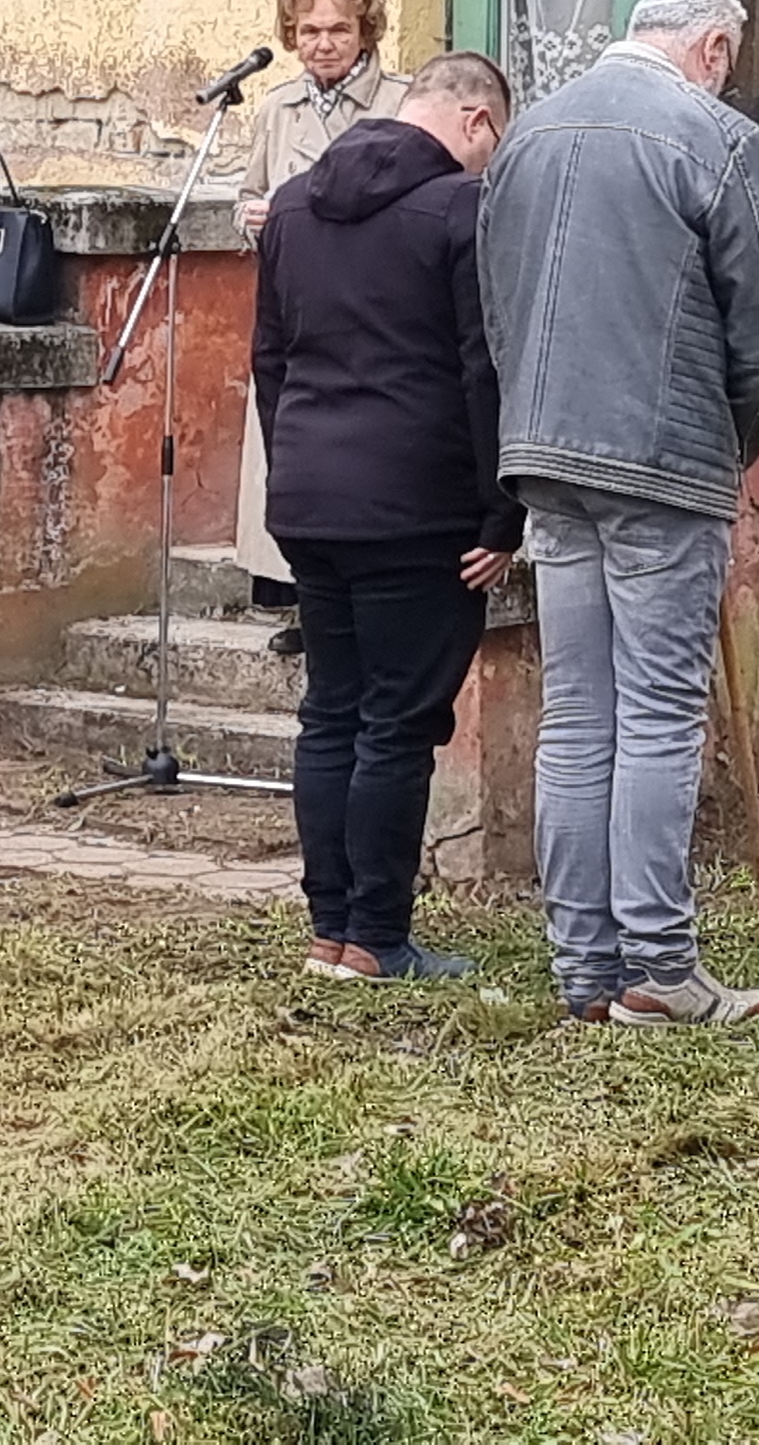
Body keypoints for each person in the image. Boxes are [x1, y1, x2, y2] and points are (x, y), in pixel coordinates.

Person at [480, 0, 759, 1029]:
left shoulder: (527, 135)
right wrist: (735, 440)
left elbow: (495, 302)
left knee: (578, 711)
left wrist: (529, 421)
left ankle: (585, 967)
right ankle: (657, 966)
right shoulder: (720, 137)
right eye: (730, 61)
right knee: (658, 712)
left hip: (544, 447)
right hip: (661, 455)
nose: (730, 79)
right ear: (712, 47)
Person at [254, 51, 521, 983]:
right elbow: (483, 367)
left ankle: (329, 928)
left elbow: (270, 360)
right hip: (419, 504)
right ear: (477, 121)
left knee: (330, 712)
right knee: (398, 723)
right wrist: (501, 511)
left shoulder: (291, 204)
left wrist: (294, 469)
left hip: (310, 495)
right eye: (496, 141)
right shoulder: (460, 209)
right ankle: (377, 935)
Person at [234, 0, 415, 653]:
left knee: (358, 460)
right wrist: (251, 219)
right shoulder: (277, 109)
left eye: (339, 29)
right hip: (296, 308)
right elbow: (248, 195)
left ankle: (357, 612)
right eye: (309, 31)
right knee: (293, 454)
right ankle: (305, 606)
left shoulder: (400, 104)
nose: (324, 43)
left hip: (373, 308)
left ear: (365, 31)